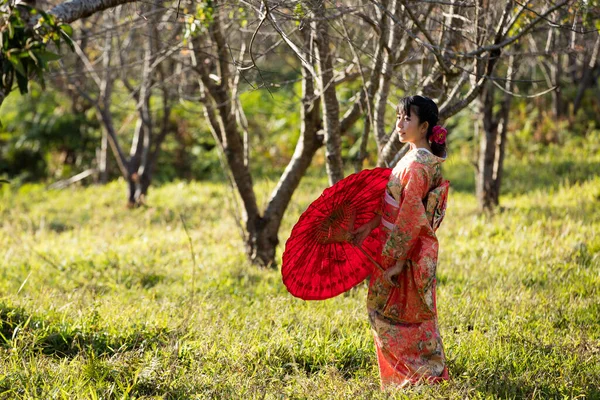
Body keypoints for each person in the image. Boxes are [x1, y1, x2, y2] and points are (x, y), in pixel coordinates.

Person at [352, 95, 450, 388]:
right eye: (398, 117)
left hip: (405, 252)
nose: (400, 124)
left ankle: (420, 378)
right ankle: (419, 377)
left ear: (424, 127)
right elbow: (392, 202)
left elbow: (410, 216)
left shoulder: (418, 165)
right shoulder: (413, 158)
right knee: (404, 314)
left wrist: (396, 262)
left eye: (407, 118)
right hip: (400, 246)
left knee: (400, 315)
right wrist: (369, 227)